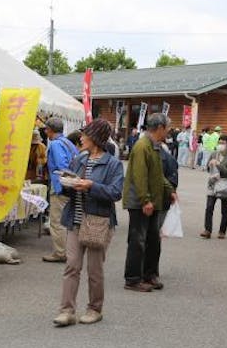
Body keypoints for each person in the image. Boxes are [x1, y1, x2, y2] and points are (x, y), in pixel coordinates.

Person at [53, 119, 124, 327]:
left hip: (98, 221)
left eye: (84, 135)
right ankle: (66, 311)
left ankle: (94, 309)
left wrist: (91, 186)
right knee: (71, 266)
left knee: (95, 269)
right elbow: (70, 186)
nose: (81, 138)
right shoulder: (79, 159)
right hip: (74, 220)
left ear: (96, 138)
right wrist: (67, 183)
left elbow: (115, 192)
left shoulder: (113, 163)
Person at [123, 113, 176, 292]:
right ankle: (132, 279)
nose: (168, 132)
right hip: (140, 202)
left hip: (153, 201)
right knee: (138, 240)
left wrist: (169, 190)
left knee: (153, 240)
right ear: (160, 128)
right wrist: (145, 200)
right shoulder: (142, 146)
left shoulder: (155, 146)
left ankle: (149, 275)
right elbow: (139, 176)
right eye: (167, 128)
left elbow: (157, 174)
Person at [43, 117, 80, 263]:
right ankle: (68, 250)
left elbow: (61, 165)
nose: (45, 131)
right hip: (71, 186)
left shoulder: (56, 144)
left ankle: (60, 252)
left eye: (46, 129)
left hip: (61, 187)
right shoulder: (69, 143)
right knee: (68, 221)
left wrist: (62, 183)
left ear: (50, 130)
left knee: (57, 221)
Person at [200, 135, 227, 239]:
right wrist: (210, 165)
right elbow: (208, 168)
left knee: (224, 209)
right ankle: (207, 230)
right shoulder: (214, 154)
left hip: (225, 184)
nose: (220, 145)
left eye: (223, 143)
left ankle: (222, 231)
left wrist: (219, 164)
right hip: (212, 183)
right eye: (219, 142)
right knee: (209, 207)